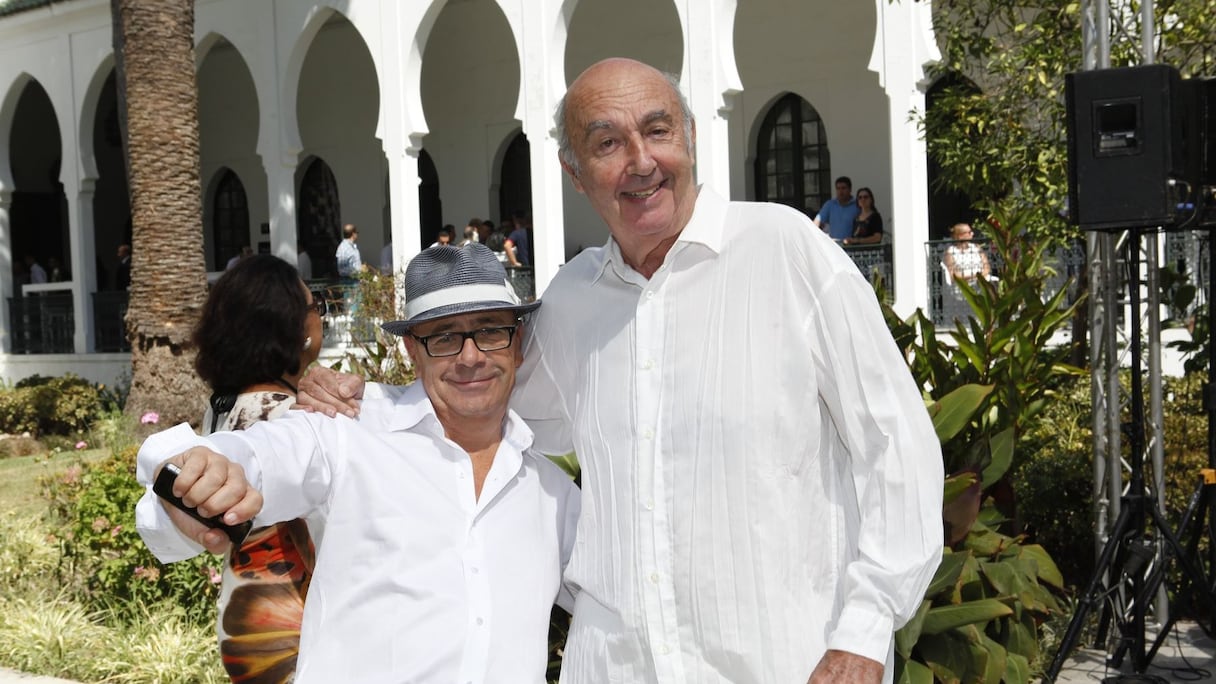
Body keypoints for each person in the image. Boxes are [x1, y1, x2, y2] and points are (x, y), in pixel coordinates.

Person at [301, 58, 943, 684]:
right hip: (617, 663)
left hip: (787, 660)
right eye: (607, 142)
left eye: (658, 130)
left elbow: (895, 446)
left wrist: (862, 633)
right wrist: (362, 399)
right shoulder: (572, 300)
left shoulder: (788, 253)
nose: (640, 161)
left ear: (689, 138)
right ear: (575, 174)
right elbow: (484, 406)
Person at [134, 244, 580, 683]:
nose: (470, 357)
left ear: (517, 343)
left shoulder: (552, 494)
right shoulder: (347, 431)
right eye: (443, 336)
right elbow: (261, 454)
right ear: (412, 349)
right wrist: (203, 471)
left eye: (489, 330)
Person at [137, 254, 324, 683]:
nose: (320, 321)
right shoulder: (291, 418)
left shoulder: (224, 408)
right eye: (316, 308)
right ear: (295, 330)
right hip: (295, 633)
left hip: (246, 622)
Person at [942, 222, 991, 286]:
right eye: (969, 232)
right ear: (960, 236)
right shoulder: (950, 252)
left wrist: (980, 276)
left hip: (981, 282)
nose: (972, 234)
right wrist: (976, 276)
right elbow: (953, 274)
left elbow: (986, 266)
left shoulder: (977, 247)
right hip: (964, 286)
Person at [814, 175, 860, 241]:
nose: (841, 191)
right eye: (838, 188)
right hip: (834, 245)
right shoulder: (830, 204)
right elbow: (817, 221)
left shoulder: (857, 205)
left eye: (843, 188)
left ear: (850, 189)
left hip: (851, 246)